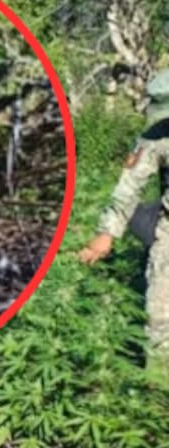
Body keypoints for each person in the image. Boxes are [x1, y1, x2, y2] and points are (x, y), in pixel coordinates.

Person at [80, 68, 169, 362]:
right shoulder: (156, 137)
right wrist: (105, 234)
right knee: (160, 322)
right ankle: (158, 395)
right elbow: (129, 187)